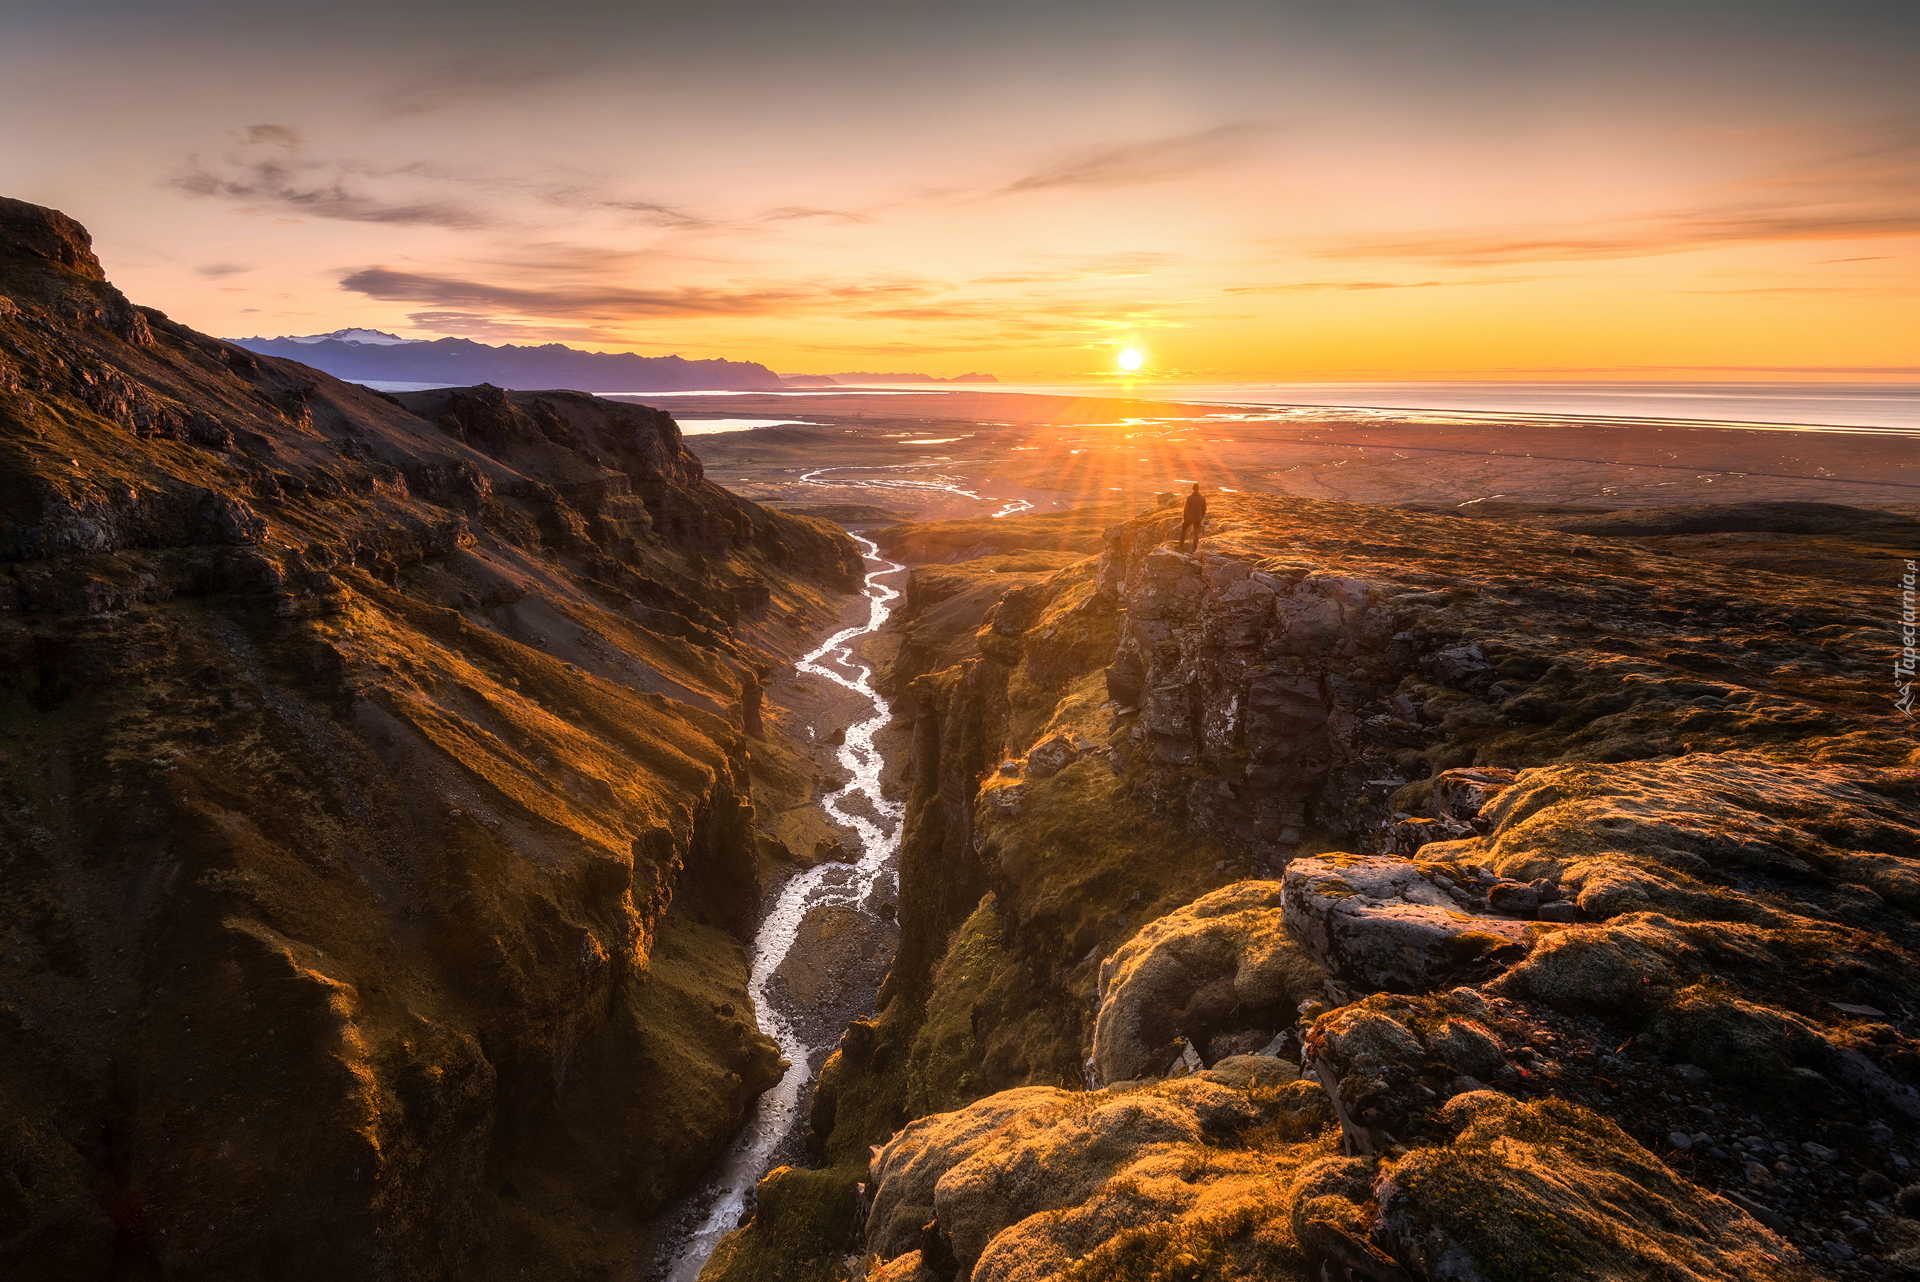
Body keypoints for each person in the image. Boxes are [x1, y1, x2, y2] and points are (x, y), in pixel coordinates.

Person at [1177, 483, 1206, 552]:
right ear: (1198, 488)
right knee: (1196, 533)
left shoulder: (1189, 498)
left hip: (1190, 517)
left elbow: (1186, 508)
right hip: (1198, 518)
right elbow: (1204, 508)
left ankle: (1181, 546)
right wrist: (1202, 516)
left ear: (1192, 489)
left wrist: (1185, 517)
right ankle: (1194, 549)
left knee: (1183, 530)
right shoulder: (1202, 498)